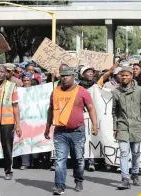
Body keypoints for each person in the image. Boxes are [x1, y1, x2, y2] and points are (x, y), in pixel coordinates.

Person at [44, 66, 98, 195]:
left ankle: (78, 180)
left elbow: (91, 108)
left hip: (77, 132)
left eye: (66, 76)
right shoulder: (55, 91)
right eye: (62, 76)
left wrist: (95, 125)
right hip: (60, 132)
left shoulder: (82, 91)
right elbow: (50, 110)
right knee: (60, 160)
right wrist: (47, 127)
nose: (64, 78)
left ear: (73, 77)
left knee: (78, 159)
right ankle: (60, 186)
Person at [112, 66, 141, 190]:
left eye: (126, 75)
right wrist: (115, 127)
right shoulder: (116, 92)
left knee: (135, 152)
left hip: (136, 126)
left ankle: (135, 174)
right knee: (124, 152)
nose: (124, 77)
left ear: (131, 76)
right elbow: (114, 111)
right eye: (122, 75)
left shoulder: (140, 91)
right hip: (122, 126)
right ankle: (125, 178)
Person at [19, 72, 39, 170]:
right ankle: (25, 163)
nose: (26, 82)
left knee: (35, 140)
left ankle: (35, 160)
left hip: (35, 120)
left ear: (31, 81)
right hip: (23, 120)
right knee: (24, 141)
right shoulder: (19, 91)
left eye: (28, 80)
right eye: (24, 80)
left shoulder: (37, 91)